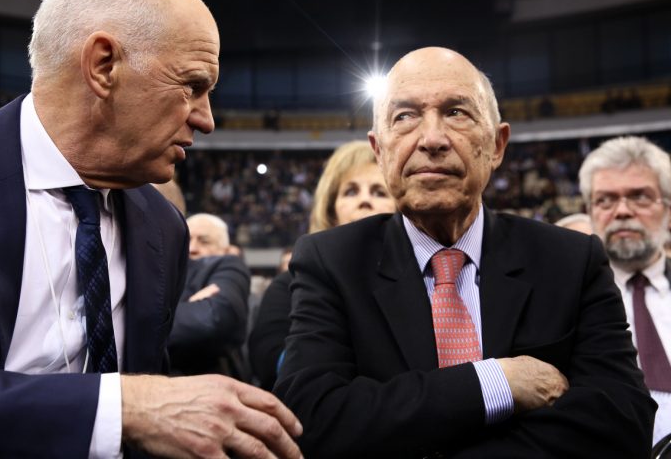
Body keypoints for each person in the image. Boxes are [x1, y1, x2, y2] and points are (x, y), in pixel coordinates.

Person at [0, 0, 301, 458]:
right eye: (192, 86)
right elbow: (136, 410)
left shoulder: (164, 228)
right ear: (104, 66)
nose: (206, 120)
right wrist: (115, 407)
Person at [274, 47, 655, 457]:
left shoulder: (571, 260)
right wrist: (495, 382)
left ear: (497, 145)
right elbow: (311, 420)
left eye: (456, 112)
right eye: (404, 116)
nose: (432, 139)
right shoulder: (331, 261)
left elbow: (624, 420)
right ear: (379, 151)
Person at [249, 140, 396, 389]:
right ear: (330, 210)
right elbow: (268, 359)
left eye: (379, 192)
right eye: (351, 191)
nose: (365, 200)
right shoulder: (290, 284)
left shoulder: (422, 278)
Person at [579, 135, 671, 445]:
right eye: (605, 200)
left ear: (668, 210)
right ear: (590, 212)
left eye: (639, 197)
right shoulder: (560, 301)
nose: (622, 211)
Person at [169, 214, 251, 379]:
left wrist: (152, 324)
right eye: (186, 240)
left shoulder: (229, 265)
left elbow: (211, 320)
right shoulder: (165, 271)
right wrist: (190, 306)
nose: (192, 248)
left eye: (204, 241)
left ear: (226, 250)